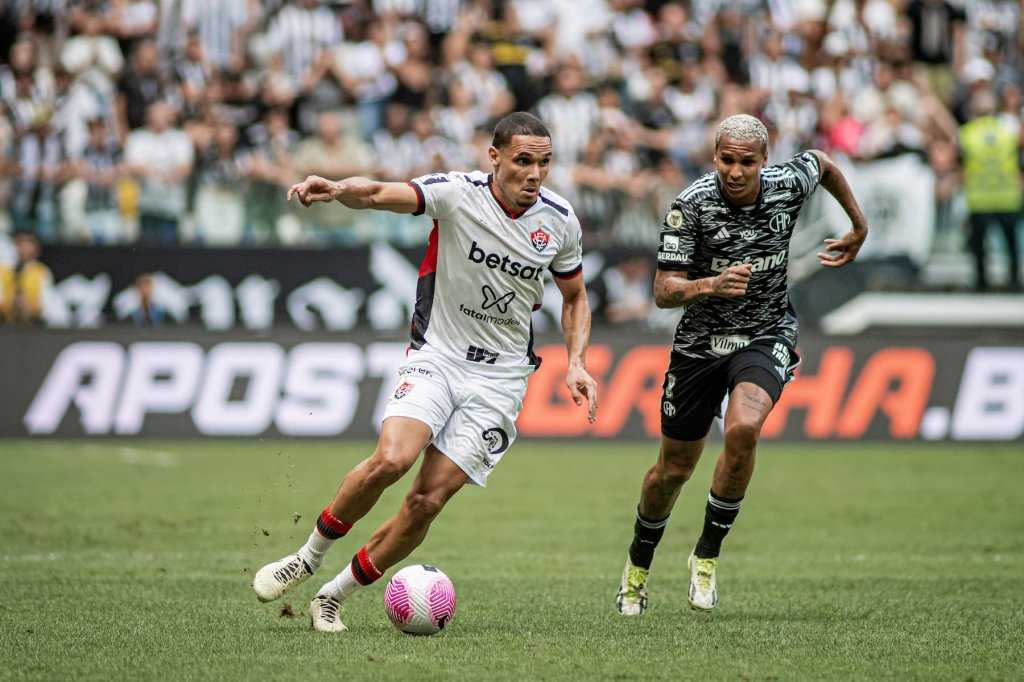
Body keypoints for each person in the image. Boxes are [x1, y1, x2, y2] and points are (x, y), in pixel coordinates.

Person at [252, 111, 598, 632]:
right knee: (392, 459)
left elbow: (575, 297)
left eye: (544, 163)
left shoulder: (560, 221)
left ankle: (333, 596)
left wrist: (576, 362)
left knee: (425, 502)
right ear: (495, 156)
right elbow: (378, 193)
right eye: (523, 161)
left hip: (501, 380)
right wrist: (337, 189)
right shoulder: (457, 194)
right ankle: (307, 557)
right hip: (438, 356)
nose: (534, 174)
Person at [614, 114, 868, 615]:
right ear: (714, 157)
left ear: (763, 161)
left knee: (744, 428)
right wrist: (710, 284)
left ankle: (706, 556)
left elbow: (823, 164)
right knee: (672, 471)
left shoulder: (786, 185)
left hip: (766, 333)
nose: (735, 171)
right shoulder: (691, 206)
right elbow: (663, 290)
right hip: (699, 345)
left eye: (746, 162)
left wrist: (859, 226)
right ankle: (637, 566)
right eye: (726, 160)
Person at [959, 91, 1022, 291]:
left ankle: (981, 281)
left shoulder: (967, 132)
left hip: (979, 197)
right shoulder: (1008, 130)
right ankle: (1014, 280)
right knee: (1011, 241)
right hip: (1007, 194)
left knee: (979, 243)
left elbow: (959, 161)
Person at [0, 231, 53, 324]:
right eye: (20, 243)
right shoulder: (3, 271)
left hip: (32, 325)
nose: (24, 248)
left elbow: (49, 309)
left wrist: (30, 309)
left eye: (28, 243)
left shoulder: (41, 272)